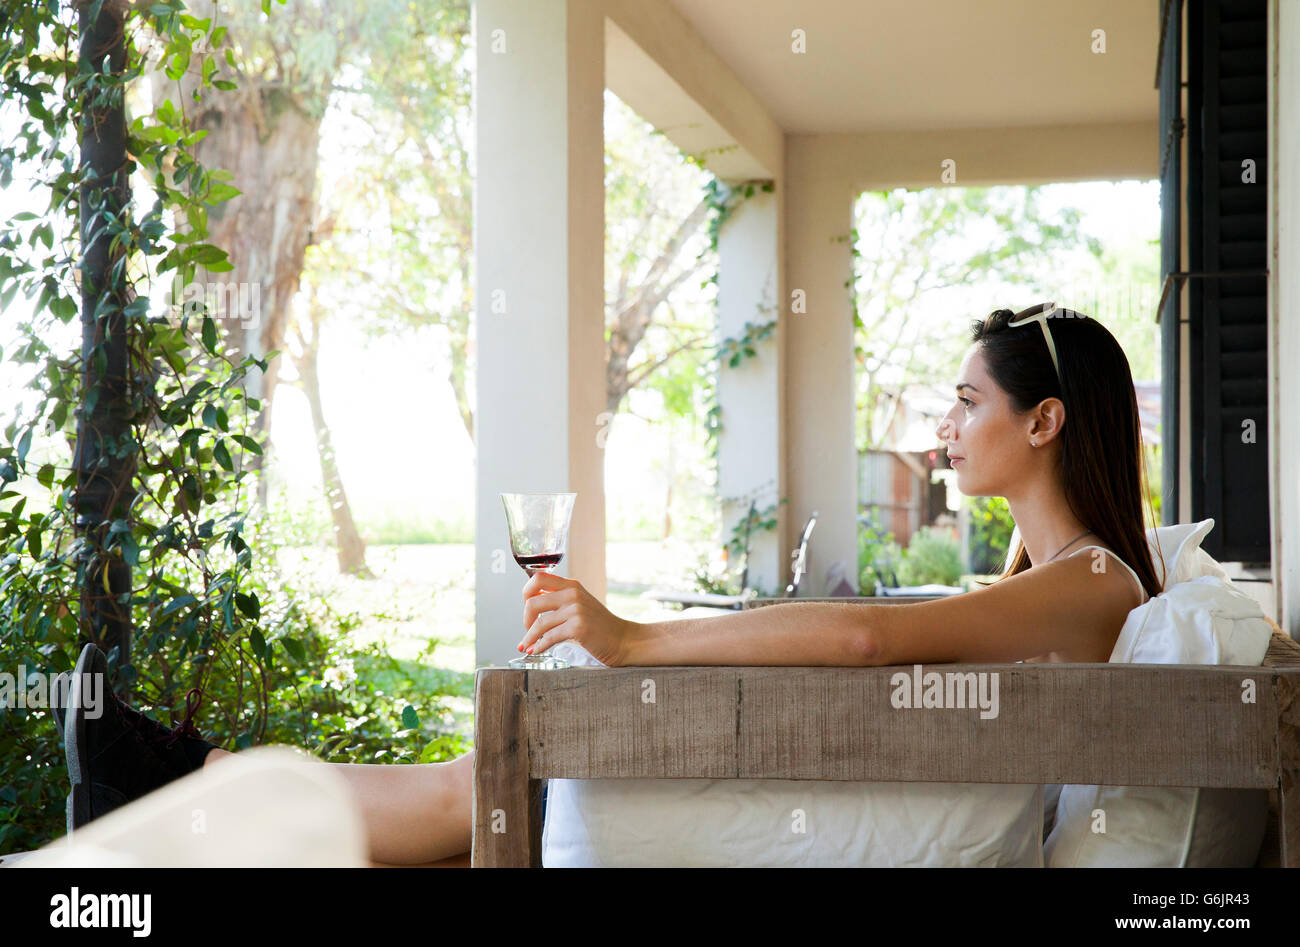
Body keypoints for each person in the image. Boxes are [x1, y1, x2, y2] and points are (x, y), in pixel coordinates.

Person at [55, 302, 1165, 866]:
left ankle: (183, 791)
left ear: (1045, 419)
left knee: (472, 791)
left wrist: (635, 642)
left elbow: (874, 643)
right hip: (840, 789)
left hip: (829, 811)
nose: (945, 425)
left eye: (966, 401)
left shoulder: (1096, 579)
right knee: (470, 787)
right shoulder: (1065, 575)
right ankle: (193, 788)